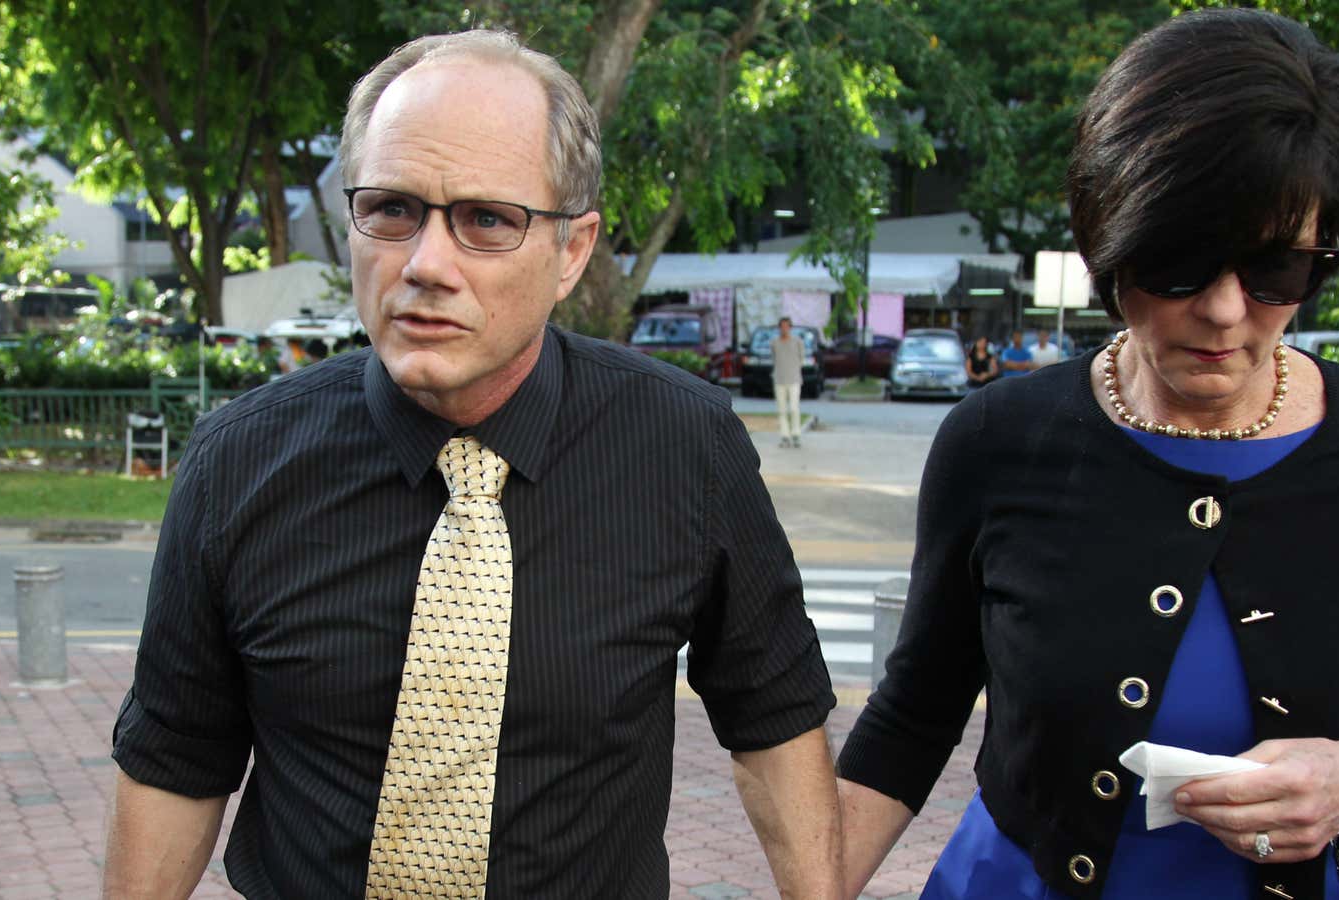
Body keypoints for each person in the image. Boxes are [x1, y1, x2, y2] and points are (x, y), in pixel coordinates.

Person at [104, 30, 841, 899]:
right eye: (391, 209)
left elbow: (774, 727)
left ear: (572, 250)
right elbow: (176, 763)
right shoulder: (240, 463)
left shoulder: (687, 449)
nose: (425, 265)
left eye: (487, 220)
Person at [836, 10, 1339, 900]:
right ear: (1109, 240)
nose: (1222, 311)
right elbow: (915, 711)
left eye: (1274, 272)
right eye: (1176, 265)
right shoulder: (1000, 438)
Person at [772, 316, 807, 448]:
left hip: (794, 379)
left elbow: (801, 358)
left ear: (790, 328)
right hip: (779, 379)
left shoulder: (797, 342)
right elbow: (774, 358)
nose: (784, 329)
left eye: (787, 326)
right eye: (782, 326)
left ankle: (796, 434)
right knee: (782, 410)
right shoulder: (775, 342)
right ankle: (785, 435)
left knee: (793, 408)